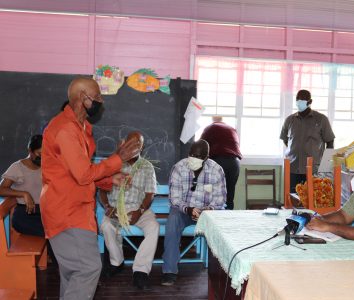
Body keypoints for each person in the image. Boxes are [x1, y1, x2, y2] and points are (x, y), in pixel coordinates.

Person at [40, 77, 141, 300]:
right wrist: (118, 158)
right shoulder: (65, 129)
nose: (101, 101)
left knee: (72, 274)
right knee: (88, 268)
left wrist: (109, 180)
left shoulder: (82, 128)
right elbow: (84, 174)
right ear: (83, 98)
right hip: (67, 212)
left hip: (77, 210)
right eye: (96, 97)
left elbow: (80, 173)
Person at [161, 139, 226, 286]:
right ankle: (169, 271)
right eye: (191, 154)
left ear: (206, 158)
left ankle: (220, 271)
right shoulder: (178, 168)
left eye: (198, 157)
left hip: (208, 214)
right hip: (184, 211)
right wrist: (188, 209)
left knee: (222, 223)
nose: (193, 159)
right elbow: (174, 199)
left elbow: (220, 201)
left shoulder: (216, 170)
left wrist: (208, 210)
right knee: (172, 221)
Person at [99, 131, 159, 290]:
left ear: (142, 146)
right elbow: (101, 190)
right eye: (131, 143)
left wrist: (140, 210)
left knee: (154, 227)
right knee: (106, 226)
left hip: (139, 210)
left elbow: (150, 193)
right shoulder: (113, 164)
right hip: (115, 210)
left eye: (138, 144)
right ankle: (116, 263)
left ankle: (140, 271)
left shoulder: (147, 166)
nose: (134, 147)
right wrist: (107, 207)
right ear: (124, 144)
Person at [280, 89, 335, 192]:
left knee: (313, 200)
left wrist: (325, 166)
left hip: (314, 170)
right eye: (297, 99)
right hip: (293, 168)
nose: (299, 101)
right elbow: (285, 140)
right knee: (293, 199)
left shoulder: (321, 119)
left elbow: (330, 142)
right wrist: (295, 150)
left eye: (303, 99)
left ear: (310, 102)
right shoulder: (289, 120)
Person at [0, 134, 44, 236]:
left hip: (43, 212)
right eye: (40, 153)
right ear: (30, 150)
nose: (43, 157)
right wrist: (24, 194)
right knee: (54, 233)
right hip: (25, 215)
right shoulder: (18, 167)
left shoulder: (45, 165)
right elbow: (1, 189)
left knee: (63, 229)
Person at [200, 115, 242, 210]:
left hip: (218, 161)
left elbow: (200, 146)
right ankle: (227, 221)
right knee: (229, 196)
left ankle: (212, 221)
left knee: (212, 195)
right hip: (234, 163)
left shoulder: (210, 128)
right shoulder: (232, 129)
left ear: (213, 120)